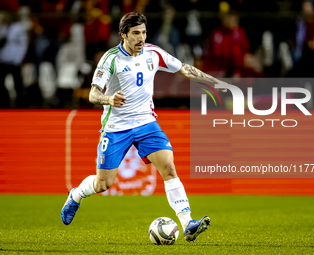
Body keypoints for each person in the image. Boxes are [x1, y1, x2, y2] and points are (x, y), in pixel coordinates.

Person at [61, 11, 226, 242]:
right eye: (136, 33)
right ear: (123, 35)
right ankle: (76, 195)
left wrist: (215, 82)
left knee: (168, 167)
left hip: (146, 123)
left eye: (144, 32)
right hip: (116, 127)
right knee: (104, 183)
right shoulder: (111, 59)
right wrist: (109, 99)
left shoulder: (153, 53)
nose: (141, 38)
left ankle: (188, 223)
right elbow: (93, 94)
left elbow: (184, 68)